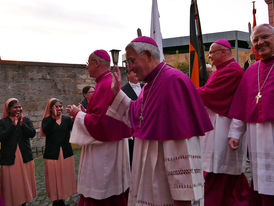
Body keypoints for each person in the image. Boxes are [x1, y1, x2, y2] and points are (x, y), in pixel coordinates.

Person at [110, 36, 213, 206]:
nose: (129, 67)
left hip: (166, 188)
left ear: (148, 54)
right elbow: (136, 116)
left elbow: (181, 145)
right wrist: (117, 93)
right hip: (150, 179)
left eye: (131, 60)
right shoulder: (150, 85)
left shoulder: (173, 81)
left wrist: (183, 196)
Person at [66, 49, 131, 206]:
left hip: (104, 152)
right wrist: (84, 113)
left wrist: (78, 114)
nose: (87, 67)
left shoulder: (105, 85)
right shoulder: (105, 83)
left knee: (103, 196)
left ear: (96, 63)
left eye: (88, 63)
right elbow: (101, 116)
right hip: (110, 146)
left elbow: (100, 124)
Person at [197, 39, 250, 206]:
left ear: (224, 52)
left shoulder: (232, 71)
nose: (210, 56)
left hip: (224, 129)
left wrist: (185, 89)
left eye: (212, 52)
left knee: (221, 175)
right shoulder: (222, 70)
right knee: (220, 175)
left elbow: (210, 94)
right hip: (217, 127)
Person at [228, 24, 274, 206]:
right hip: (256, 134)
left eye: (265, 37)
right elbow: (242, 106)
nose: (260, 42)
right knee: (261, 181)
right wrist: (235, 134)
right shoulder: (251, 70)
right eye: (255, 40)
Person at [0, 98, 37, 206]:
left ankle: (24, 202)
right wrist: (13, 125)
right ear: (9, 109)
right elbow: (2, 137)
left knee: (24, 182)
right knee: (12, 183)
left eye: (19, 107)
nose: (18, 109)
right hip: (9, 157)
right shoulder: (3, 122)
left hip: (24, 156)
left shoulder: (25, 120)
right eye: (15, 107)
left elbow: (32, 134)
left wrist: (22, 124)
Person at [41, 98, 77, 206]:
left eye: (60, 106)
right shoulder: (46, 120)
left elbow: (75, 129)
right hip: (52, 154)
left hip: (66, 152)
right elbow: (46, 130)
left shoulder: (66, 119)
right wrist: (53, 118)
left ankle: (62, 197)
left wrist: (75, 118)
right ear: (51, 109)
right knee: (53, 177)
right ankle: (55, 199)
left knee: (64, 176)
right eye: (56, 106)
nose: (59, 108)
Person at [122, 69, 144, 168]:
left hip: (147, 126)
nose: (136, 73)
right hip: (132, 128)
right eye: (133, 72)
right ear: (127, 74)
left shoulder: (146, 86)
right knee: (133, 157)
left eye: (137, 71)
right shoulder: (123, 90)